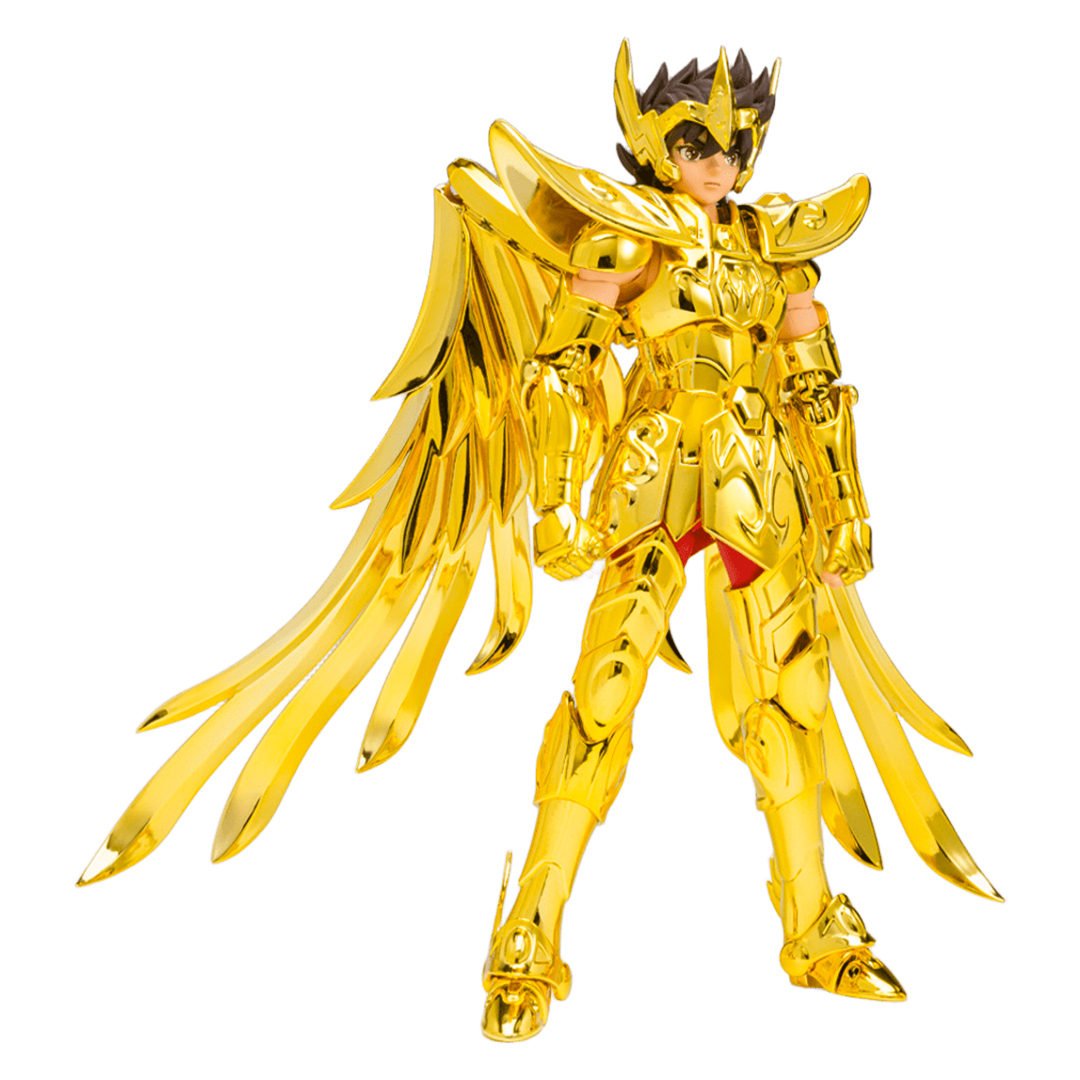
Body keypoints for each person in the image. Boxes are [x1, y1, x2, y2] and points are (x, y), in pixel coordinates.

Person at [79, 41, 1000, 1043]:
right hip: (652, 482)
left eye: (736, 144)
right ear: (654, 146)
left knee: (791, 705)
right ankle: (530, 931)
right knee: (603, 697)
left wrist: (847, 505)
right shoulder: (622, 239)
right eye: (697, 143)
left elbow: (818, 384)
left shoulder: (777, 245)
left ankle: (814, 926)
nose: (720, 162)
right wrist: (556, 499)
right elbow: (561, 369)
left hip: (760, 489)